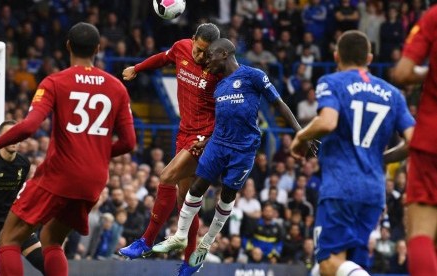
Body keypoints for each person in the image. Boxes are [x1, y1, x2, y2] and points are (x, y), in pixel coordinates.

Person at [0, 22, 136, 276]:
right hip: (93, 181)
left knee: (8, 238)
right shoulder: (117, 88)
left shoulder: (56, 82)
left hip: (60, 173)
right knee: (52, 239)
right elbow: (129, 143)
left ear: (68, 45)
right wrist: (94, 153)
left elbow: (28, 127)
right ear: (98, 48)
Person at [150, 38, 307, 272]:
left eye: (210, 56)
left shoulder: (253, 75)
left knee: (227, 195)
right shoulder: (219, 86)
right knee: (196, 188)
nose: (206, 61)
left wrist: (300, 132)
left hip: (243, 148)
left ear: (223, 54)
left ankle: (207, 242)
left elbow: (279, 103)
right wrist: (205, 142)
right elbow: (218, 119)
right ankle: (180, 236)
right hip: (218, 144)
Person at [290, 30, 415, 276]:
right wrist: (383, 157)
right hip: (373, 192)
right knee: (343, 266)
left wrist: (301, 136)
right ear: (369, 58)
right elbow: (413, 140)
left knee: (328, 262)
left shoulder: (332, 82)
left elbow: (327, 122)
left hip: (341, 187)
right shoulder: (393, 94)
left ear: (336, 56)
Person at [118, 23, 222, 274]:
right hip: (183, 132)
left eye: (206, 53)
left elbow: (227, 110)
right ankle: (190, 261)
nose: (200, 57)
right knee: (186, 201)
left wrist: (210, 140)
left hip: (202, 138)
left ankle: (146, 241)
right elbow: (162, 58)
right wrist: (137, 68)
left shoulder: (219, 70)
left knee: (165, 177)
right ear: (193, 39)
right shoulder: (180, 48)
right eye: (198, 50)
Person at [392, 3, 437, 275]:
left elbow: (403, 72)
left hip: (432, 140)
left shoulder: (433, 17)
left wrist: (427, 73)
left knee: (421, 232)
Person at [0, 120, 44, 275]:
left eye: (17, 135)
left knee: (42, 260)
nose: (13, 139)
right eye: (8, 135)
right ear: (0, 138)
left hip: (10, 218)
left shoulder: (23, 163)